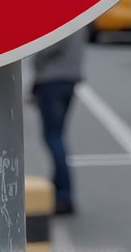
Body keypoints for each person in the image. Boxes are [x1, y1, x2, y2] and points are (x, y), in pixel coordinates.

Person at [32, 32, 84, 216]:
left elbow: (48, 44)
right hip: (69, 78)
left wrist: (35, 51)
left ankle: (64, 195)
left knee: (53, 137)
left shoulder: (62, 14)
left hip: (52, 79)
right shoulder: (79, 12)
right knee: (57, 136)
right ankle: (58, 190)